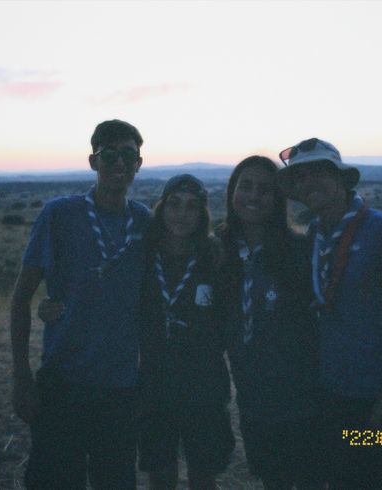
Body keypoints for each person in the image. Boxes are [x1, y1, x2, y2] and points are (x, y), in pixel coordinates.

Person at [276, 138, 382, 489]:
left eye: (319, 172)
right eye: (300, 177)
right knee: (349, 479)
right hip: (337, 398)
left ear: (343, 179)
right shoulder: (316, 233)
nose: (309, 182)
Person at [10, 119, 150, 490]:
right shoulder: (59, 215)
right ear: (93, 161)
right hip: (62, 385)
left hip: (121, 390)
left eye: (128, 155)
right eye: (109, 155)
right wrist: (21, 376)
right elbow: (22, 297)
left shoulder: (145, 223)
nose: (119, 163)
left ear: (139, 163)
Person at [217, 156, 324, 489]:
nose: (253, 196)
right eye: (245, 186)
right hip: (253, 397)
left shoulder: (299, 250)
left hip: (303, 397)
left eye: (265, 190)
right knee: (273, 481)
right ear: (232, 192)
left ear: (278, 199)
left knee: (309, 478)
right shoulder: (216, 251)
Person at [136, 174, 234, 490]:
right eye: (174, 204)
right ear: (162, 209)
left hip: (204, 385)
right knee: (160, 474)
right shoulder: (143, 256)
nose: (182, 214)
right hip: (154, 384)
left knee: (203, 476)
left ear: (202, 213)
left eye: (192, 206)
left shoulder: (216, 257)